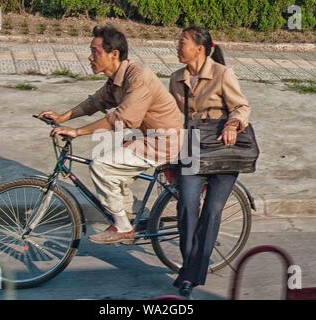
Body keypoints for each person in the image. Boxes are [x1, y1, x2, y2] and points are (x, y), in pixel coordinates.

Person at [39, 25, 183, 244]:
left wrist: (78, 132)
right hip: (148, 139)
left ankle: (123, 228)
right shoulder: (116, 79)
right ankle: (129, 219)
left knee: (101, 165)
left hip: (165, 142)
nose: (90, 57)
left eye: (95, 52)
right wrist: (62, 117)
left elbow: (122, 119)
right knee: (115, 170)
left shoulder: (138, 78)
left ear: (114, 54)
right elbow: (94, 102)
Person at [169, 26, 251, 298]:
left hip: (224, 148)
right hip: (192, 146)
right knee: (187, 206)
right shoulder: (176, 78)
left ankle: (190, 276)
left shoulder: (222, 73)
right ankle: (190, 267)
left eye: (182, 42)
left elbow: (242, 107)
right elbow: (172, 117)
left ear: (199, 49)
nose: (177, 46)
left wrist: (233, 123)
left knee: (212, 211)